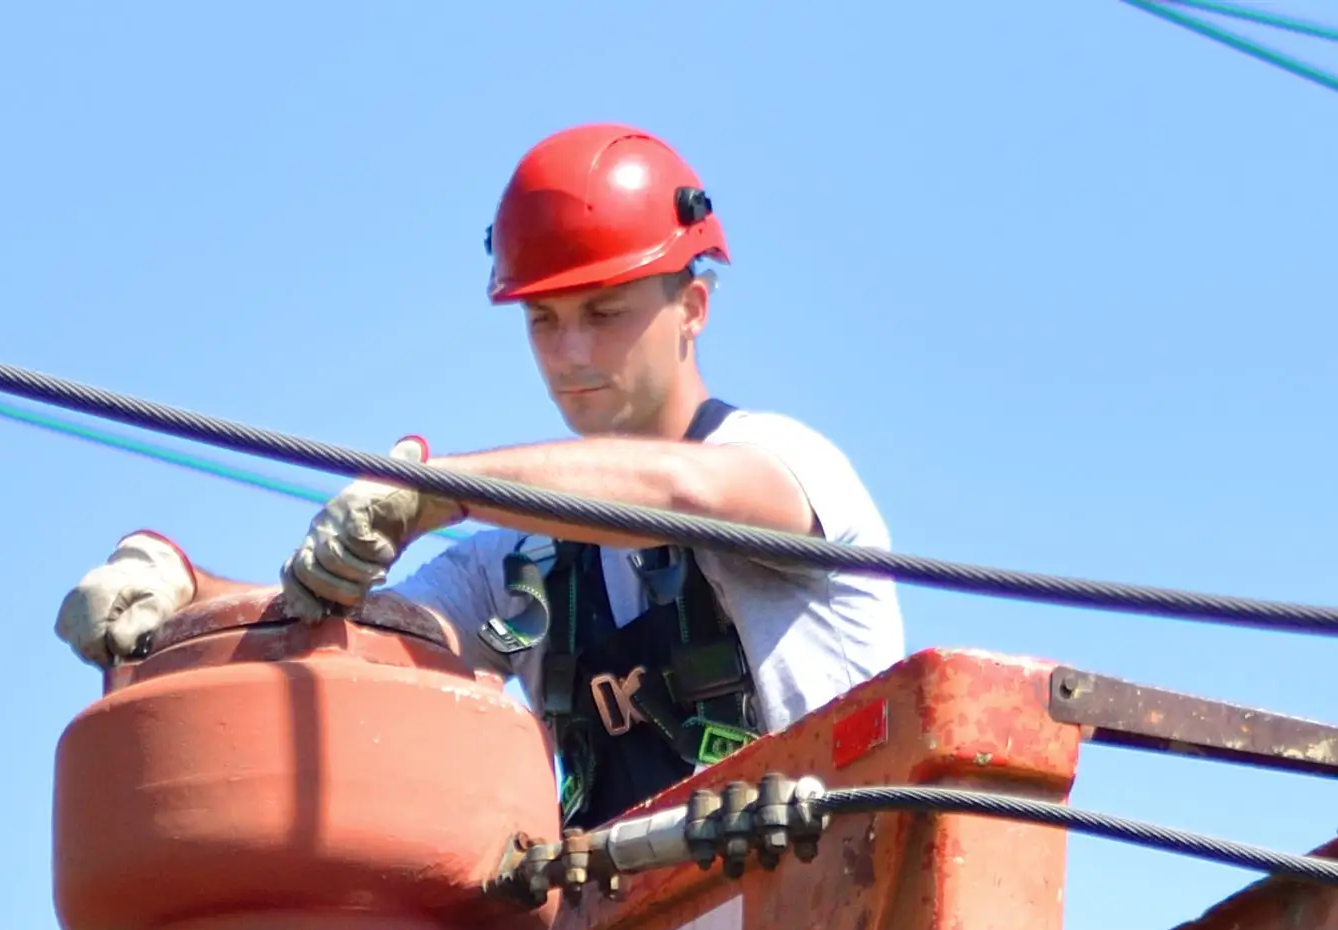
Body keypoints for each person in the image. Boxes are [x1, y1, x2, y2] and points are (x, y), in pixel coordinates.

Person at [57, 125, 904, 817]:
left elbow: (682, 496)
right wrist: (184, 594)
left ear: (694, 306)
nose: (570, 354)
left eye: (604, 313)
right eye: (543, 320)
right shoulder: (524, 566)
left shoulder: (790, 464)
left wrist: (441, 492)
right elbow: (357, 643)